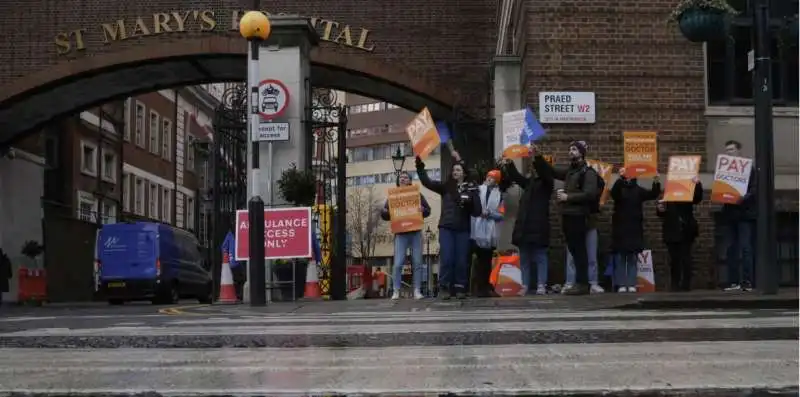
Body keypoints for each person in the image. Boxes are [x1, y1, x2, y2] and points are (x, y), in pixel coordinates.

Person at [535, 141, 598, 295]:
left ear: (582, 153)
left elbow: (590, 194)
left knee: (579, 250)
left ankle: (583, 284)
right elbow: (551, 171)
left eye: (574, 149)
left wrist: (567, 197)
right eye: (570, 149)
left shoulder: (587, 172)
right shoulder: (571, 171)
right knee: (574, 250)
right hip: (568, 215)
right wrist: (538, 157)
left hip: (579, 216)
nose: (571, 151)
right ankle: (579, 282)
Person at [416, 152, 480, 300]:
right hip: (446, 227)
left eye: (458, 170)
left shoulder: (470, 189)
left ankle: (460, 287)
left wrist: (470, 201)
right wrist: (420, 166)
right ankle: (444, 287)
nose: (455, 172)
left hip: (463, 228)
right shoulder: (446, 187)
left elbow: (477, 211)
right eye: (454, 170)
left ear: (464, 173)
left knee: (461, 260)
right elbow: (427, 182)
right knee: (447, 257)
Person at [500, 151, 554, 295]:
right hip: (525, 226)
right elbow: (517, 177)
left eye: (535, 168)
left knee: (540, 256)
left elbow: (545, 173)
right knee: (525, 258)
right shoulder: (530, 183)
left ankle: (541, 284)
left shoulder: (547, 184)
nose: (533, 170)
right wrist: (510, 164)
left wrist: (537, 157)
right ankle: (525, 285)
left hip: (539, 226)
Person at [381, 171, 432, 300]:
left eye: (406, 177)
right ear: (398, 181)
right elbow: (385, 215)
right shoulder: (393, 197)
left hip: (415, 232)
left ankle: (417, 290)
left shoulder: (417, 195)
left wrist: (423, 210)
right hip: (401, 233)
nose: (403, 179)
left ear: (410, 181)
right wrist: (385, 211)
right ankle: (396, 290)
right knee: (398, 263)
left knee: (417, 262)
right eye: (401, 177)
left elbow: (428, 210)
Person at [610, 168, 661, 293]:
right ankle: (622, 284)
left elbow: (653, 194)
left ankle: (631, 283)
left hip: (633, 227)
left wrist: (656, 181)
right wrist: (620, 178)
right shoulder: (620, 189)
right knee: (622, 257)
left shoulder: (638, 190)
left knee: (632, 258)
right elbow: (613, 193)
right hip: (621, 227)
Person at [719, 140, 756, 292]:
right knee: (731, 249)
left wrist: (743, 198)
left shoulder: (748, 169)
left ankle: (747, 281)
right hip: (730, 214)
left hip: (744, 214)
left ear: (739, 151)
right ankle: (733, 282)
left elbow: (754, 190)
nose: (729, 153)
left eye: (732, 150)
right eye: (727, 150)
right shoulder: (723, 170)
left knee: (745, 247)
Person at [656, 177, 703, 291]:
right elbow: (662, 212)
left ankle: (685, 284)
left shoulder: (686, 193)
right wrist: (660, 209)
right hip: (671, 229)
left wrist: (697, 184)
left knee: (685, 257)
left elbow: (697, 198)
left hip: (685, 229)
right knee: (674, 259)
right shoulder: (668, 195)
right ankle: (675, 284)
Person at [470, 169, 505, 297]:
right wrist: (480, 211)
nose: (489, 179)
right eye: (488, 177)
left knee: (486, 261)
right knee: (478, 261)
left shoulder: (499, 195)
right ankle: (476, 287)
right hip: (476, 229)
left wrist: (490, 214)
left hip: (490, 233)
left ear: (496, 181)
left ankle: (485, 286)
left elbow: (501, 215)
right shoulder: (478, 190)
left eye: (493, 178)